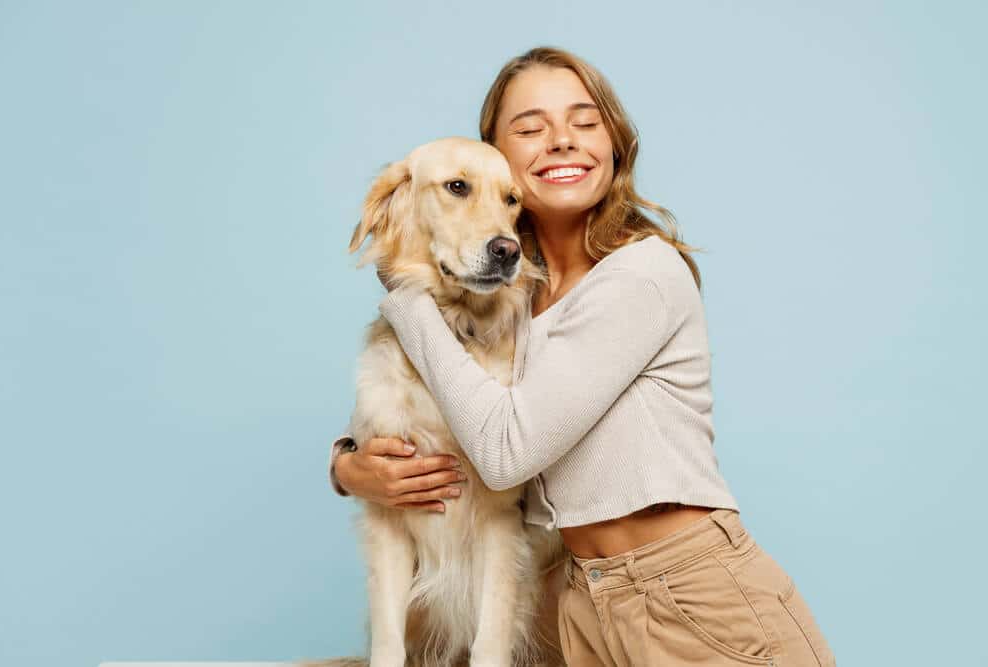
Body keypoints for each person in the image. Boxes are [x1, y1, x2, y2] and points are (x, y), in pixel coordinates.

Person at [329, 46, 836, 667]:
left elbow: (503, 452)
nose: (563, 141)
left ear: (614, 144)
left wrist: (406, 301)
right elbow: (431, 408)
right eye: (531, 128)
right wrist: (350, 466)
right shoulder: (515, 292)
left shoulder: (641, 275)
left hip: (692, 602)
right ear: (497, 156)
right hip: (574, 604)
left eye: (586, 122)